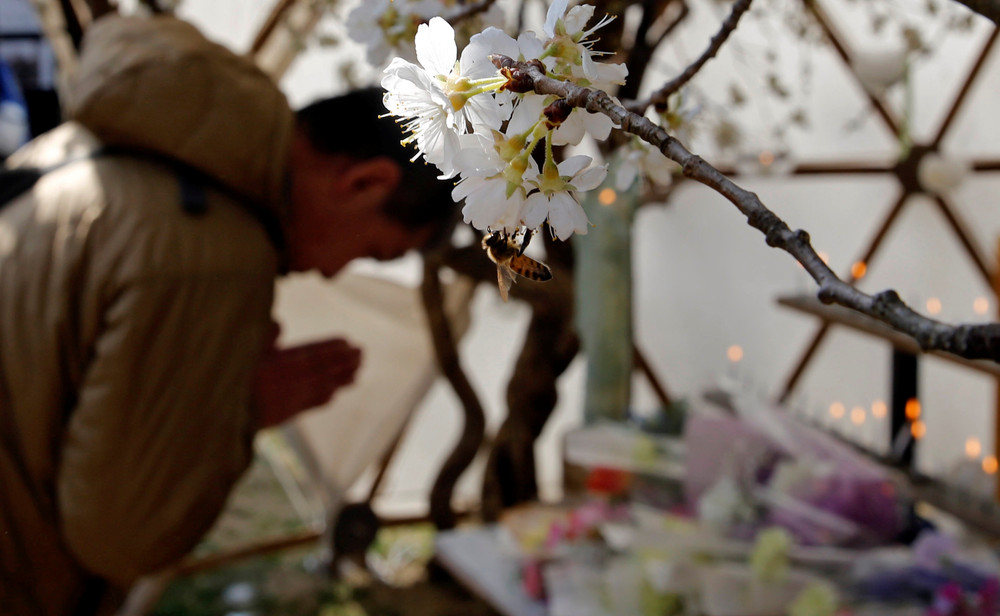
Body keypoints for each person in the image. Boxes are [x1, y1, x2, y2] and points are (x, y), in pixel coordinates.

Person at [0, 13, 454, 616]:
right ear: (367, 183)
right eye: (373, 250)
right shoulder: (211, 252)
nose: (332, 273)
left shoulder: (111, 149)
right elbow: (123, 536)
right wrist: (238, 413)